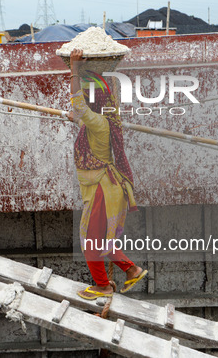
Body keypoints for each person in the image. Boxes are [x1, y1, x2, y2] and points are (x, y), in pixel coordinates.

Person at [68, 49, 147, 300]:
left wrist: (73, 69)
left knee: (90, 241)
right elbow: (84, 119)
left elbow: (79, 106)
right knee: (101, 240)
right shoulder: (103, 121)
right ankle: (132, 269)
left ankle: (102, 286)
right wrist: (77, 120)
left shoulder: (99, 123)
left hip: (103, 189)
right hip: (107, 188)